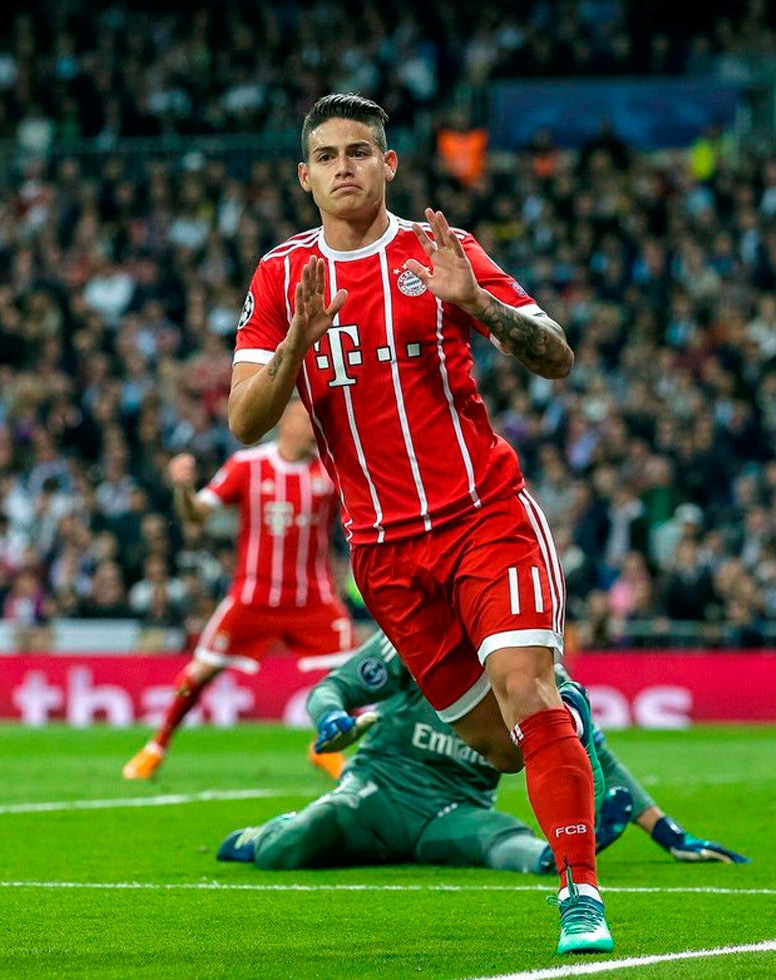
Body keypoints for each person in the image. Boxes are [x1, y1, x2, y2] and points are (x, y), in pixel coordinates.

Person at [228, 93, 610, 954]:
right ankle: (557, 718)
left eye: (360, 151)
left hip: (484, 517)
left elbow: (557, 355)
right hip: (386, 554)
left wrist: (478, 304)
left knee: (524, 688)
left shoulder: (440, 251)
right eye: (326, 155)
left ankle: (579, 896)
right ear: (304, 176)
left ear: (389, 164)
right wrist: (296, 344)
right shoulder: (280, 277)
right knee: (504, 748)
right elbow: (246, 424)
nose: (344, 168)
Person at [216, 630, 749, 874]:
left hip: (455, 807)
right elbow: (331, 688)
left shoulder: (534, 669)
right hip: (379, 791)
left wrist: (667, 832)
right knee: (295, 846)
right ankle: (263, 834)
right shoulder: (416, 637)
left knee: (503, 841)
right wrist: (330, 719)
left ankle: (558, 855)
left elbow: (595, 756)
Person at [123, 400, 356, 780]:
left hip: (312, 596)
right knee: (198, 674)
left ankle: (324, 747)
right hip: (253, 597)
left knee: (356, 675)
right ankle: (155, 747)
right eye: (305, 419)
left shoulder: (329, 471)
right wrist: (183, 488)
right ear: (285, 421)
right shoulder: (247, 466)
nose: (314, 427)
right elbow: (195, 514)